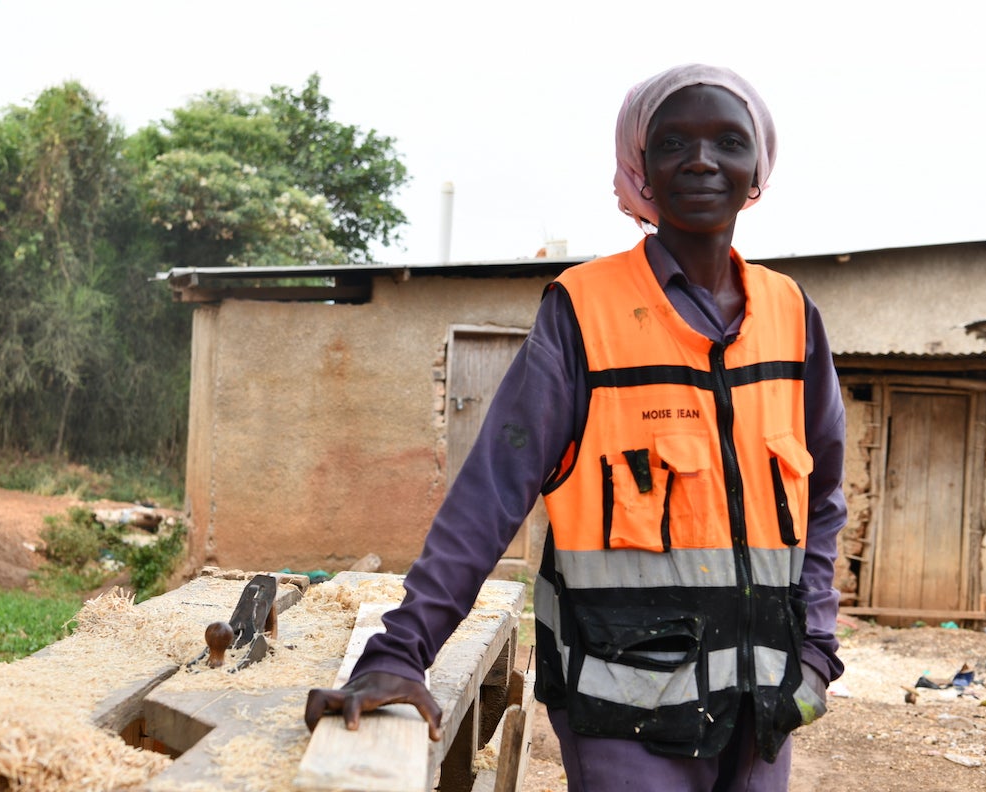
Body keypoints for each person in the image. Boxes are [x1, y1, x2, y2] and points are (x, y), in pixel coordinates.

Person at [305, 63, 847, 791]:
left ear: (759, 170)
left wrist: (815, 650)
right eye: (674, 142)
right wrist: (402, 652)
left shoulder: (792, 316)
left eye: (729, 140)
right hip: (627, 718)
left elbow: (823, 500)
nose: (702, 160)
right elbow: (491, 496)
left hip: (764, 713)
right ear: (641, 170)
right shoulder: (581, 312)